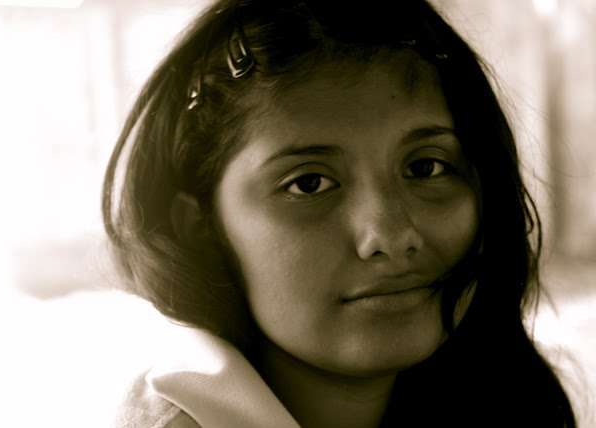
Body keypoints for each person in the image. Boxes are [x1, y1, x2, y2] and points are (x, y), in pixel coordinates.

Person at [103, 0, 577, 426]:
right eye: (308, 183)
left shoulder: (490, 398)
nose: (391, 235)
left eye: (425, 168)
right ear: (201, 226)